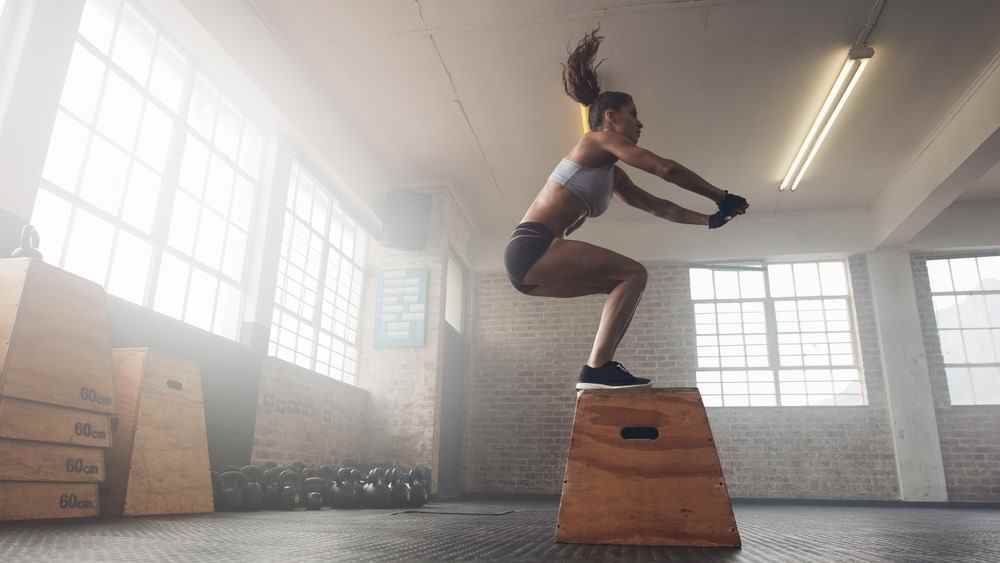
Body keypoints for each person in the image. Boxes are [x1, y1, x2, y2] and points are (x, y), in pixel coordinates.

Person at [503, 28, 749, 390]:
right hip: (534, 246)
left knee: (625, 281)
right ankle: (596, 369)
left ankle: (598, 368)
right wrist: (719, 195)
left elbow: (656, 205)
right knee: (633, 273)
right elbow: (665, 169)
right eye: (632, 114)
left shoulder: (611, 174)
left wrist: (710, 220)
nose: (640, 123)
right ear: (610, 118)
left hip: (530, 272)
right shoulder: (595, 141)